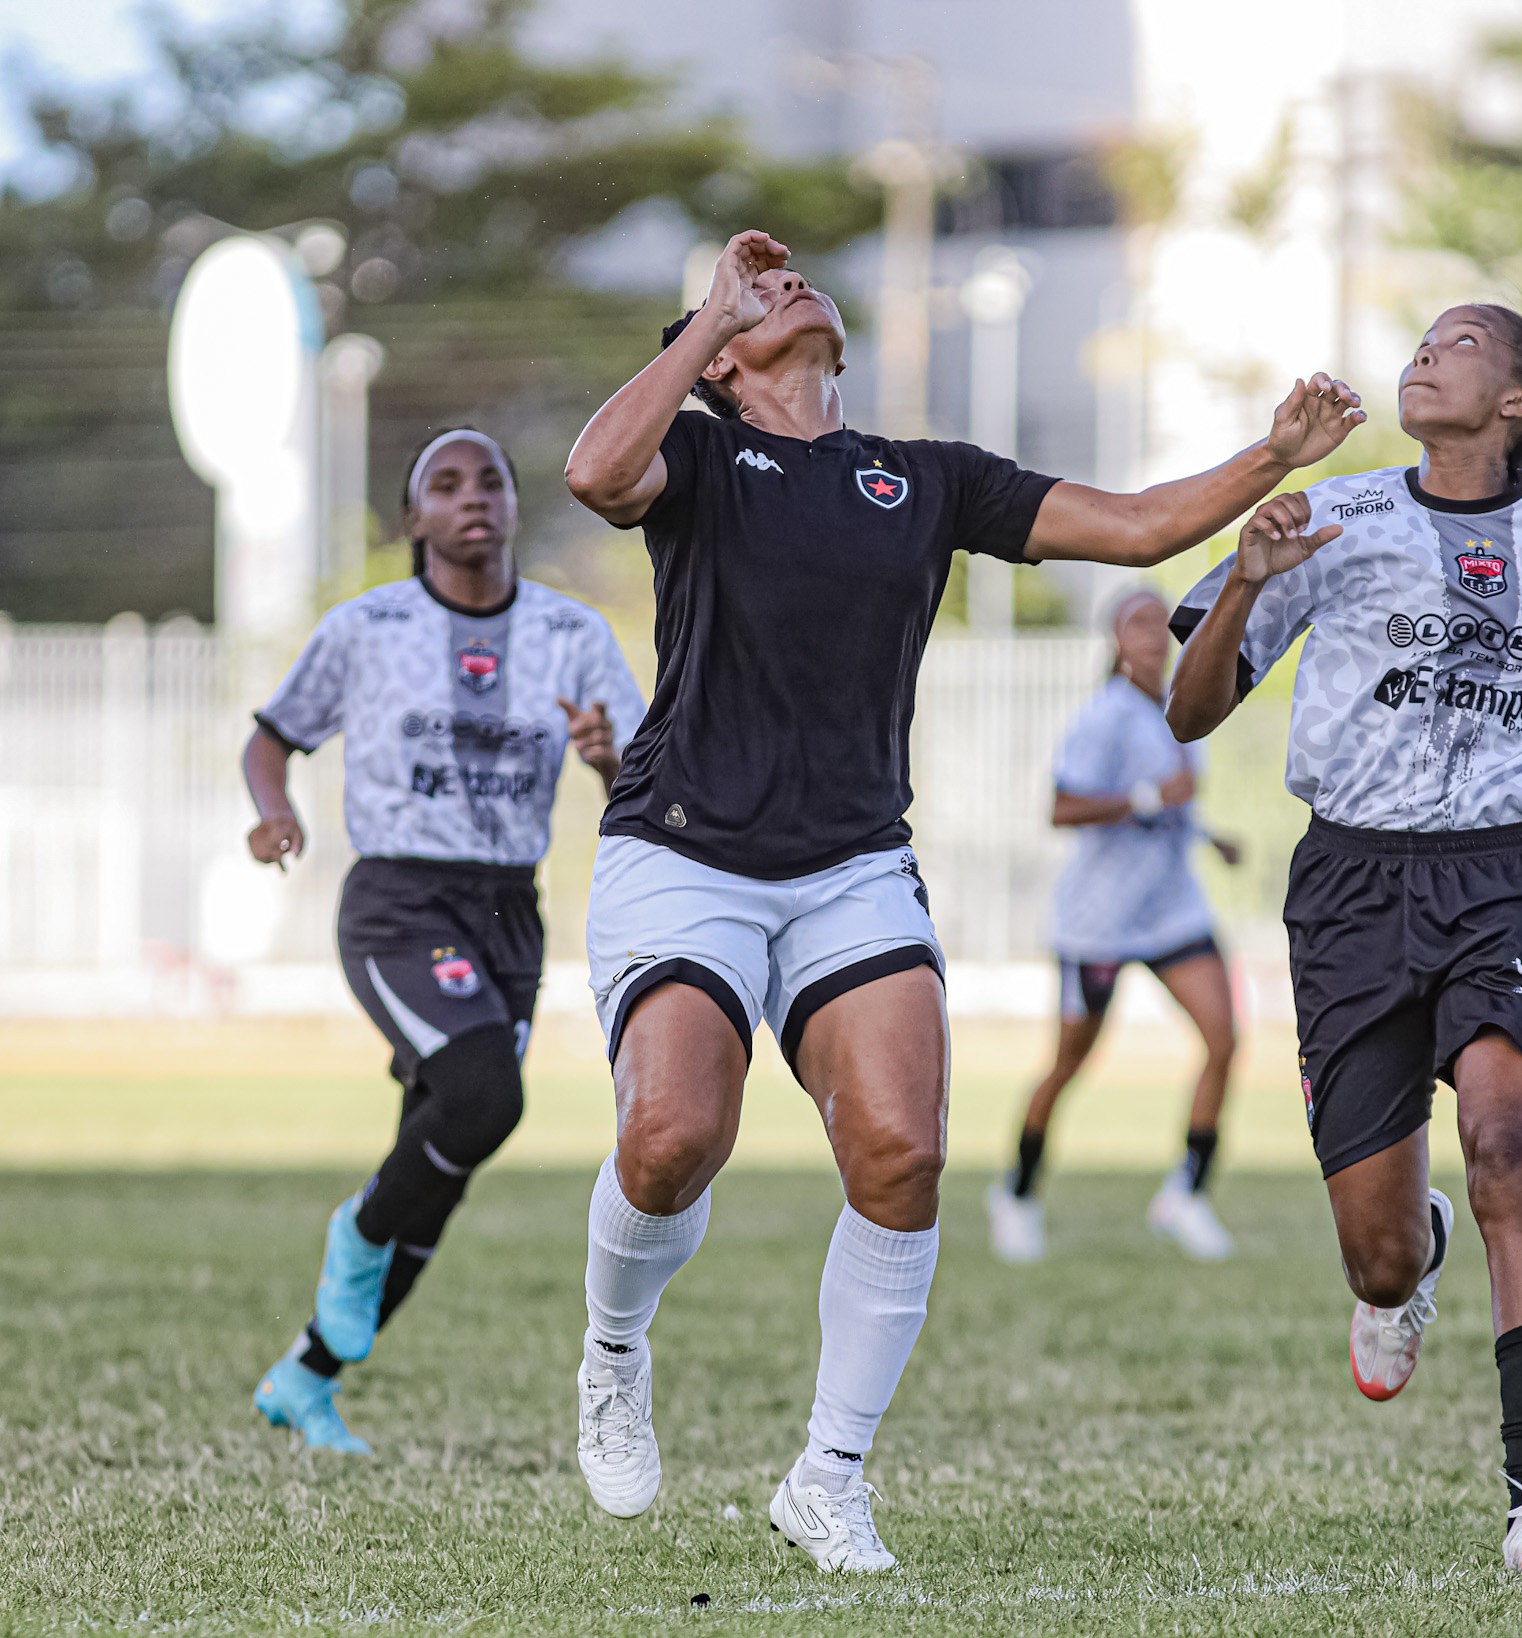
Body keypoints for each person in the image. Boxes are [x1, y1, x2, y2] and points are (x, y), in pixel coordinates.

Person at [560, 228, 1363, 1573]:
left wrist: (1275, 453)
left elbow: (1139, 525)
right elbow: (593, 472)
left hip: (852, 863)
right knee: (672, 1137)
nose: (790, 282)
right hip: (685, 854)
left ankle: (828, 1474)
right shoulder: (696, 454)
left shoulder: (921, 479)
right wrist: (707, 315)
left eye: (792, 283)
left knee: (904, 1153)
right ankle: (613, 1347)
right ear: (718, 366)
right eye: (758, 299)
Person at [1166, 305, 1522, 1580]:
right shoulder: (1326, 519)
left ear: (1516, 402)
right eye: (1424, 341)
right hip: (1348, 885)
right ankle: (1410, 1263)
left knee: (1508, 1145)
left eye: (1460, 344)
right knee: (1378, 1251)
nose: (1424, 354)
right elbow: (1183, 710)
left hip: (1508, 875)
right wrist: (1243, 575)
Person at [244, 428, 645, 1454]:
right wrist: (273, 810)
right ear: (415, 518)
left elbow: (643, 784)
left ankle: (306, 1377)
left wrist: (606, 762)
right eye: (446, 484)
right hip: (398, 903)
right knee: (481, 1097)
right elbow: (272, 735)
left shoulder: (570, 635)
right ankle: (358, 1235)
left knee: (448, 1155)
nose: (474, 498)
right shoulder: (367, 627)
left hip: (510, 910)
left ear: (514, 506)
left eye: (493, 481)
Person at [986, 587, 1242, 1265]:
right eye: (1138, 621)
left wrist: (1208, 837)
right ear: (1116, 639)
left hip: (1171, 909)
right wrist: (1147, 797)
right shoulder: (1104, 716)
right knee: (1071, 1061)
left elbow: (1175, 804)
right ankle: (1016, 1192)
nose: (1155, 632)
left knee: (1224, 1038)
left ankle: (1186, 1192)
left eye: (1162, 620)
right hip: (1099, 920)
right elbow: (1061, 808)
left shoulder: (1182, 705)